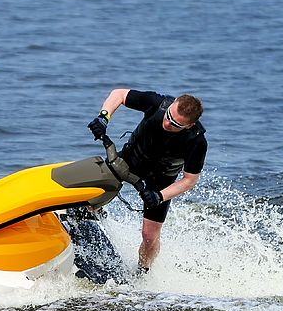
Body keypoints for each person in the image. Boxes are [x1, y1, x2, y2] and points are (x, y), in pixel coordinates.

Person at [88, 89, 206, 272]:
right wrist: (103, 118)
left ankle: (143, 271)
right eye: (168, 116)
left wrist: (159, 196)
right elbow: (118, 94)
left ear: (189, 126)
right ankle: (82, 216)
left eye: (175, 123)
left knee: (149, 236)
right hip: (130, 159)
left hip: (161, 180)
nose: (167, 123)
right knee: (95, 192)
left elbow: (189, 181)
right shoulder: (156, 103)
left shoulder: (197, 142)